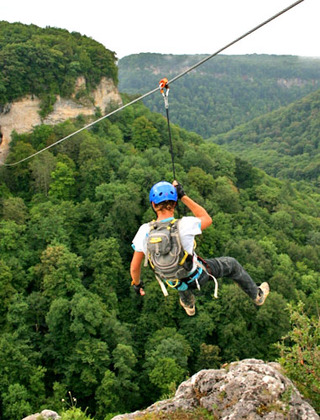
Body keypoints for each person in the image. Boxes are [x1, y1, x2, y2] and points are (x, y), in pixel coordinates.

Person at [130, 180, 269, 316]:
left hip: (172, 281)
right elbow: (207, 218)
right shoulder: (185, 224)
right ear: (175, 203)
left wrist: (137, 284)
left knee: (175, 268)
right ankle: (257, 295)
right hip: (197, 277)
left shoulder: (144, 231)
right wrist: (183, 196)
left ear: (153, 205)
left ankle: (188, 304)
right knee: (231, 264)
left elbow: (135, 268)